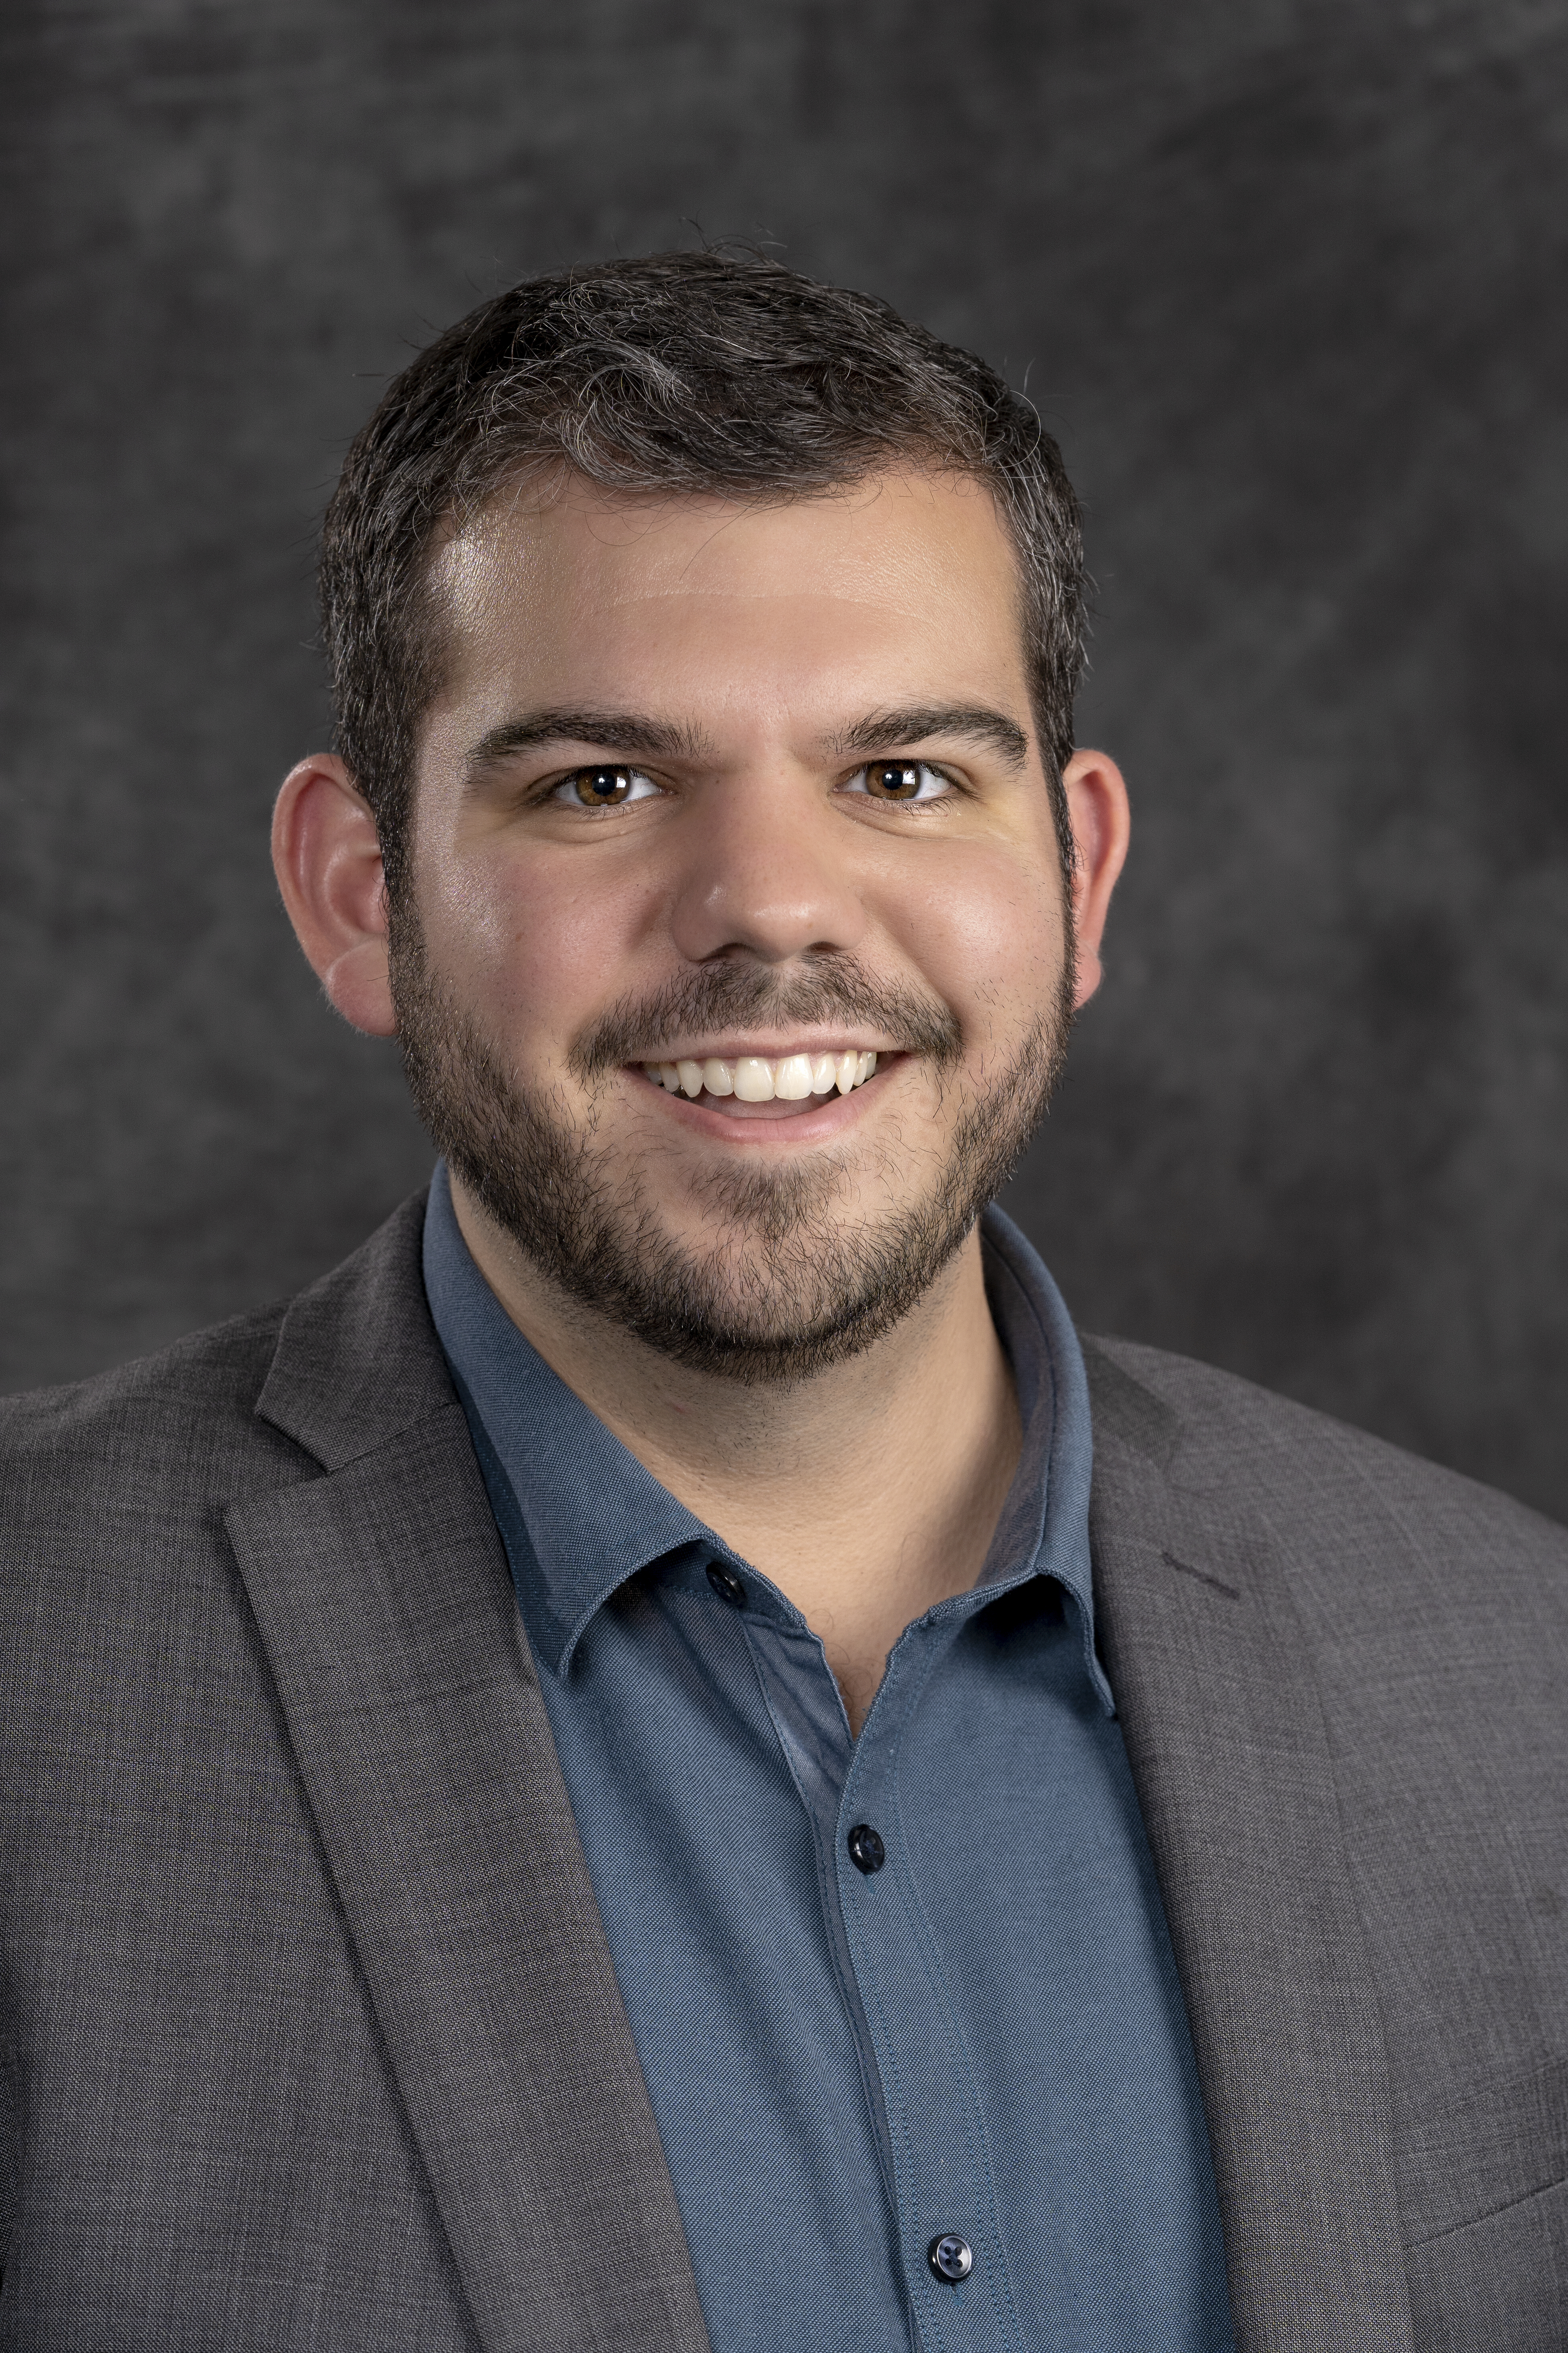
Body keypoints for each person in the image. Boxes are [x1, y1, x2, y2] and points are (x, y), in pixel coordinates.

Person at [1, 251, 1563, 2353]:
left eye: (904, 774)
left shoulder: (1511, 1684)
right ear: (359, 897)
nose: (770, 906)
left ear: (1078, 877)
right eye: (601, 783)